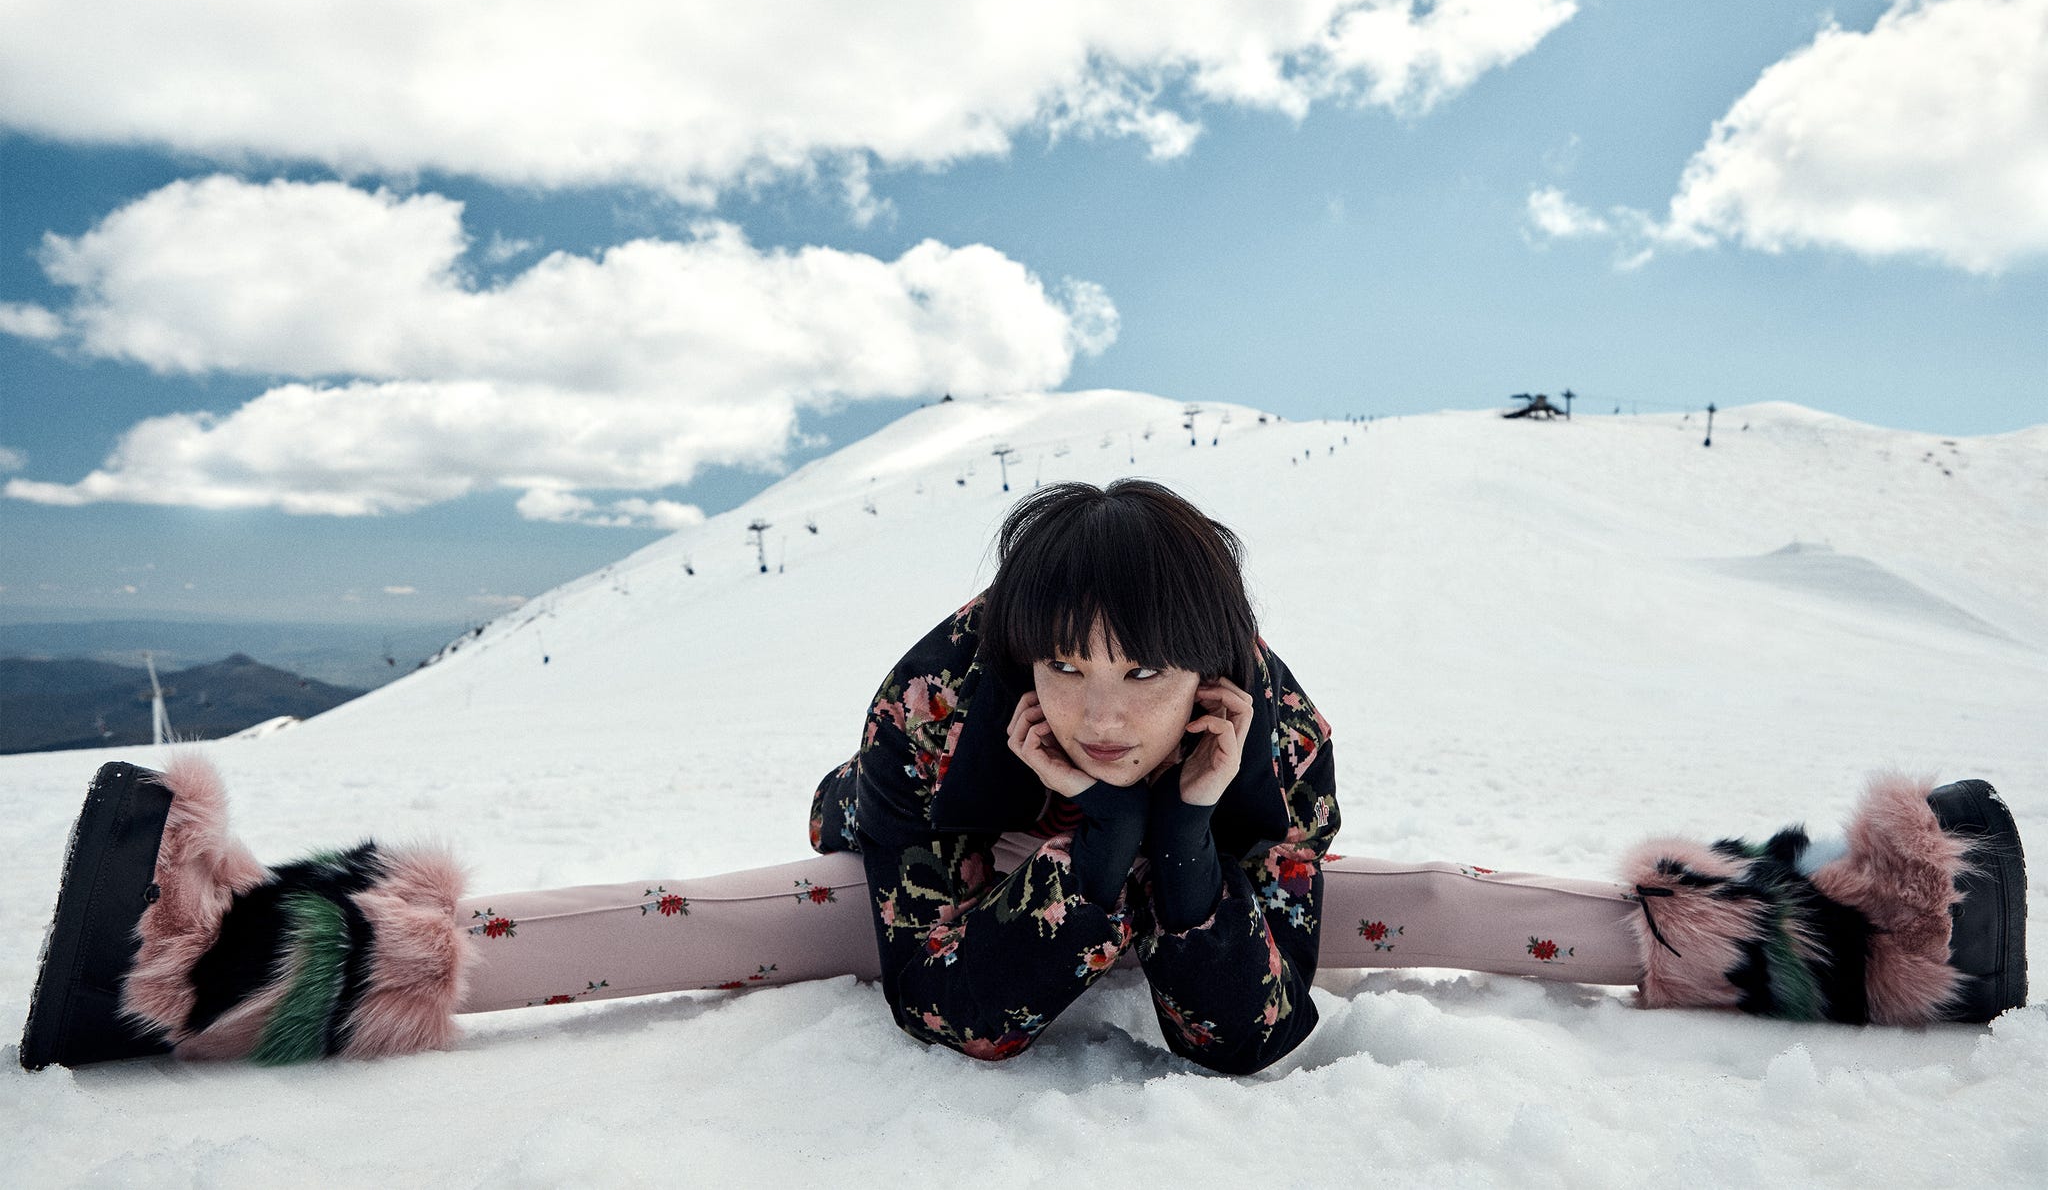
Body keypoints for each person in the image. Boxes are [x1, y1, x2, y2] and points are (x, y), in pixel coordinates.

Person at [19, 480, 2030, 1073]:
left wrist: (1174, 826)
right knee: (714, 919)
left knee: (1432, 903)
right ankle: (233, 964)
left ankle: (1841, 942)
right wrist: (1095, 820)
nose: (1086, 694)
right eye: (1056, 661)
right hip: (927, 856)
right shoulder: (932, 711)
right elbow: (951, 1006)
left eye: (1131, 673)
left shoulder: (1284, 732)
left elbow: (1241, 1028)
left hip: (1173, 849)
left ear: (1209, 671)